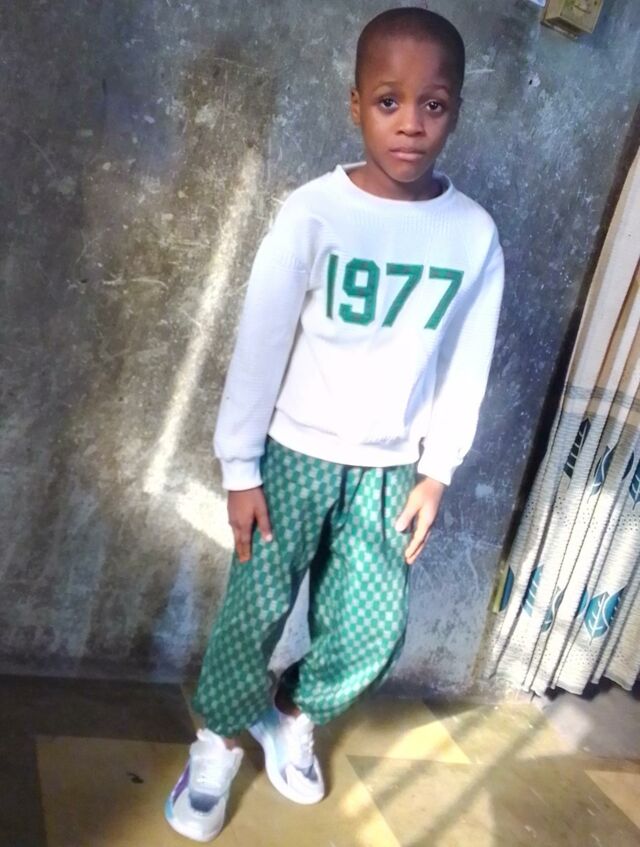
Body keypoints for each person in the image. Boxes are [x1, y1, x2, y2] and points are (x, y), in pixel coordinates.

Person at [165, 6, 504, 842]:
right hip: (293, 455)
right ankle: (217, 742)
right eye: (390, 101)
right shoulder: (314, 211)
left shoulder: (471, 235)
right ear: (356, 104)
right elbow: (260, 342)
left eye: (433, 104)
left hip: (389, 468)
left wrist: (438, 468)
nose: (411, 123)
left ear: (456, 111)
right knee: (255, 608)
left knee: (372, 625)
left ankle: (290, 710)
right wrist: (240, 468)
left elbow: (467, 360)